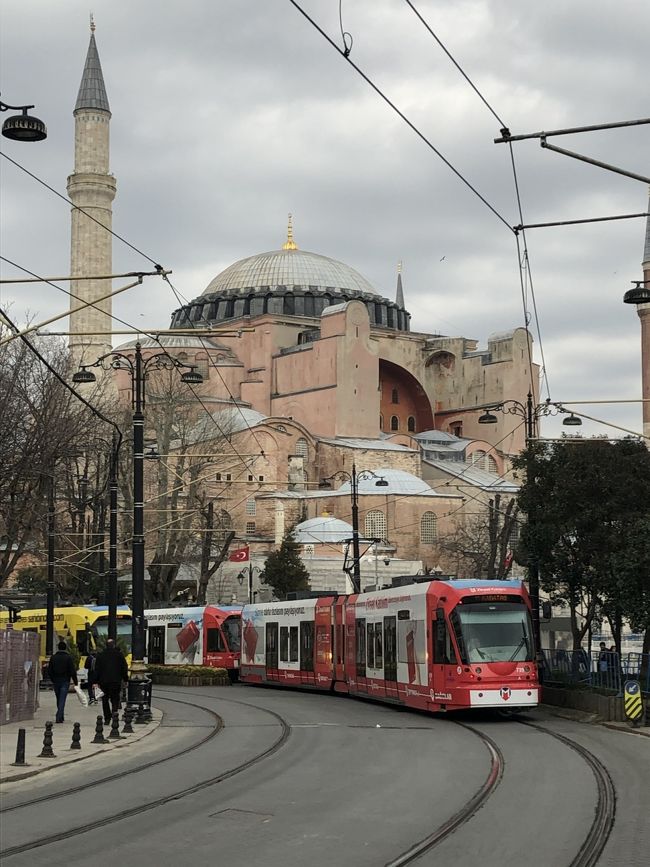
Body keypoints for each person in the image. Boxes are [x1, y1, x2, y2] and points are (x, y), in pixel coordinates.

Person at [94, 639, 129, 724]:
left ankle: (107, 718)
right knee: (115, 698)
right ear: (113, 645)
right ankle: (114, 714)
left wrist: (96, 681)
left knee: (105, 700)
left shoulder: (101, 655)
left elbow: (97, 669)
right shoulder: (119, 655)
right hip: (115, 681)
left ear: (106, 645)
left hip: (103, 682)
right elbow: (124, 668)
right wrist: (125, 679)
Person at [47, 640, 78, 723]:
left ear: (58, 648)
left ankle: (61, 715)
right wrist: (75, 681)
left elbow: (49, 671)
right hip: (65, 681)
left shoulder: (53, 657)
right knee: (62, 699)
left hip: (56, 681)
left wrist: (53, 679)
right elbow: (72, 671)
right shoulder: (68, 658)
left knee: (58, 698)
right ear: (65, 648)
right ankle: (59, 716)